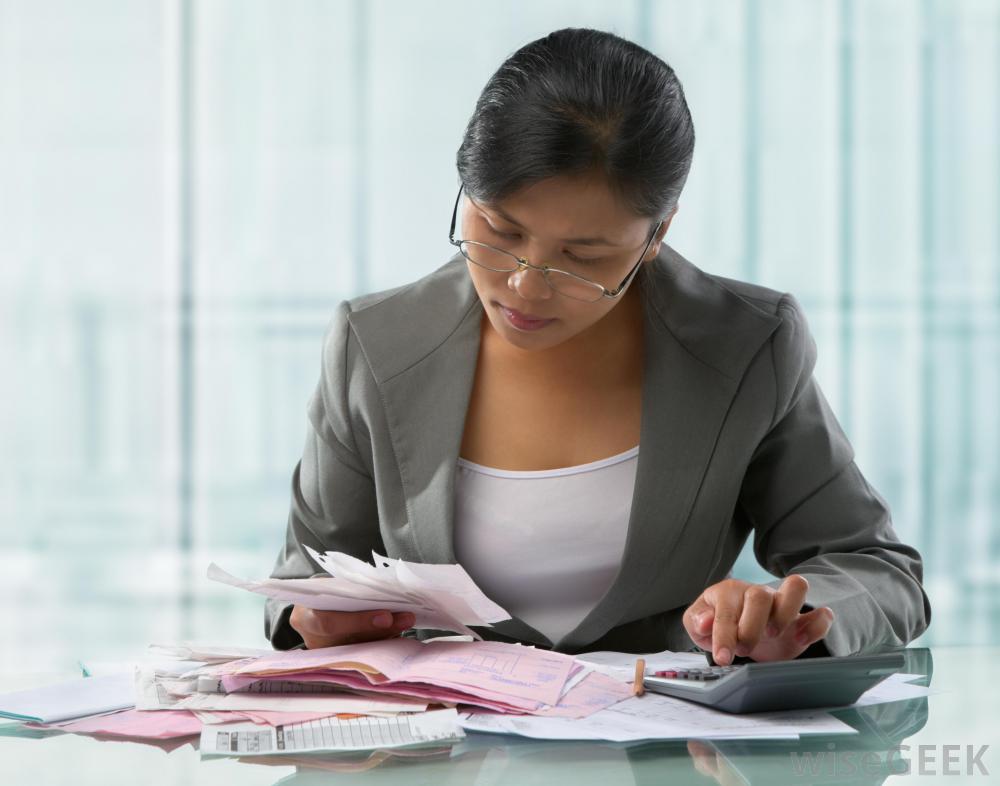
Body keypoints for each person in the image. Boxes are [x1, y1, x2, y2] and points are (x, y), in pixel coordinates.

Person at [264, 27, 931, 666]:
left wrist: (795, 617)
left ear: (657, 233)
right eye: (498, 229)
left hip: (669, 750)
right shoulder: (374, 345)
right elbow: (306, 576)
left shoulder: (745, 346)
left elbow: (877, 570)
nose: (525, 285)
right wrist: (311, 618)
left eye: (582, 257)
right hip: (441, 752)